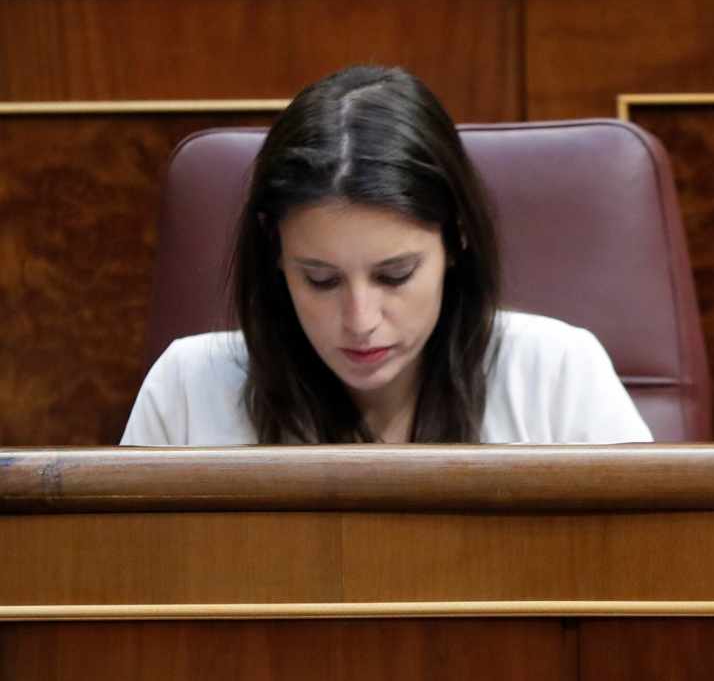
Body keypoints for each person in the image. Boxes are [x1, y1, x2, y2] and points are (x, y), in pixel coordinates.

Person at [122, 65, 651, 446]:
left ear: (456, 238)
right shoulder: (187, 390)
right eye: (321, 281)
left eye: (395, 275)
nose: (360, 321)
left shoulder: (558, 374)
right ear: (276, 253)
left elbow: (646, 587)